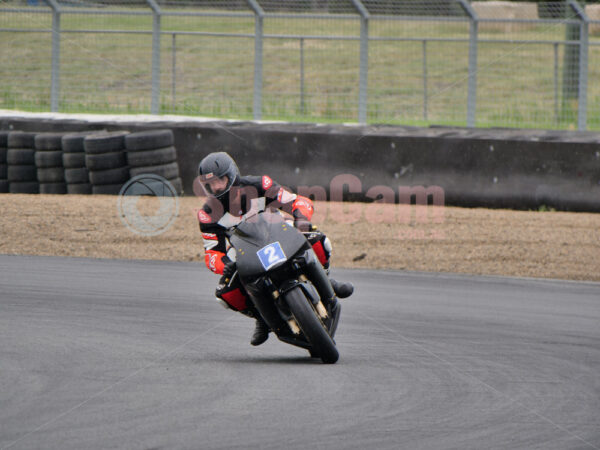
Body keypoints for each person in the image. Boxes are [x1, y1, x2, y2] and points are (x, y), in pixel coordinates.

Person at [196, 151, 354, 346]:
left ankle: (326, 279)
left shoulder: (260, 185)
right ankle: (262, 317)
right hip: (246, 255)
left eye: (221, 180)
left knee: (318, 239)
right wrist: (225, 264)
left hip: (278, 238)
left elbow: (298, 201)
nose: (217, 187)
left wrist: (301, 217)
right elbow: (212, 253)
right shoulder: (207, 214)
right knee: (225, 294)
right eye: (210, 185)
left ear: (233, 174)